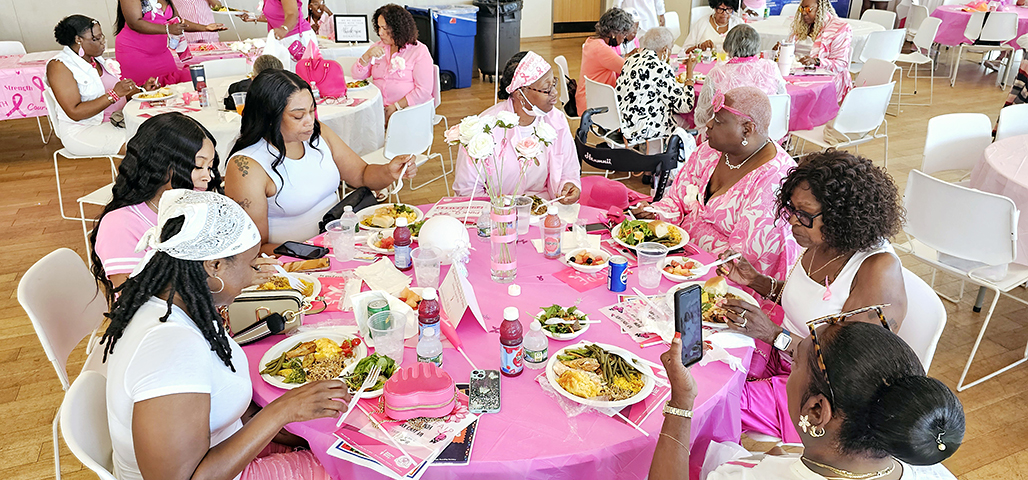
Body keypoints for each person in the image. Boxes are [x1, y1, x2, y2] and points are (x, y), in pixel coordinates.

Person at [101, 189, 346, 480]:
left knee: (330, 445)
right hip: (213, 472)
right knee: (344, 470)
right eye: (250, 263)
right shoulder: (171, 348)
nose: (254, 274)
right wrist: (281, 411)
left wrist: (287, 423)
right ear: (214, 265)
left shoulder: (174, 302)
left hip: (224, 445)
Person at [713, 150, 908, 443]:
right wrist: (756, 281)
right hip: (782, 359)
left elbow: (847, 368)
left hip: (819, 395)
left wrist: (774, 335)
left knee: (715, 402)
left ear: (841, 215)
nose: (793, 220)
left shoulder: (877, 270)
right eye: (791, 209)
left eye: (804, 214)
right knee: (704, 364)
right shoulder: (823, 239)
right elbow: (808, 303)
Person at [650, 322, 964, 480]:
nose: (789, 370)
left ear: (816, 410)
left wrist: (682, 402)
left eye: (796, 363)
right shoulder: (932, 471)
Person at [224, 69, 417, 253]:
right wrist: (314, 252)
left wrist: (389, 172)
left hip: (340, 243)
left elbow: (361, 174)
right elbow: (254, 248)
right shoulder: (247, 167)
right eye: (298, 116)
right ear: (269, 118)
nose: (310, 121)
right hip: (295, 260)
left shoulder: (317, 134)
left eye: (311, 111)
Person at [89, 112, 272, 302]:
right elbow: (136, 300)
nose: (207, 177)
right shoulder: (120, 225)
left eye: (210, 167)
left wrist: (240, 267)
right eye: (198, 166)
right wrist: (232, 279)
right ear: (160, 163)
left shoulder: (197, 206)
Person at [632, 87, 800, 280]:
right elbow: (677, 200)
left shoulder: (774, 182)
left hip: (722, 279)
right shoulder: (710, 151)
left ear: (747, 129)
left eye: (718, 121)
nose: (709, 124)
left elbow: (740, 261)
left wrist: (683, 266)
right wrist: (655, 213)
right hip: (679, 261)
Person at [453, 51, 581, 203]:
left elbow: (568, 169)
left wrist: (568, 186)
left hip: (543, 207)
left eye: (554, 83)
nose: (554, 93)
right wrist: (501, 210)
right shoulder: (485, 129)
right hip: (496, 210)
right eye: (546, 89)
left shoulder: (556, 120)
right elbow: (467, 189)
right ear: (520, 94)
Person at [47, 15, 153, 156]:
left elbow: (120, 94)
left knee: (165, 133)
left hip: (119, 120)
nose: (103, 42)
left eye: (101, 36)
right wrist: (114, 95)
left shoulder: (96, 59)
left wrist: (142, 90)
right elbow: (75, 112)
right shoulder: (59, 66)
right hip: (85, 130)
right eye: (96, 39)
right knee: (148, 148)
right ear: (78, 40)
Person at [351, 4, 434, 125]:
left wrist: (396, 107)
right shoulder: (377, 47)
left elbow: (424, 91)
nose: (380, 33)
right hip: (378, 109)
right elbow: (357, 77)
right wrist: (366, 56)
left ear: (398, 28)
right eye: (379, 27)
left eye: (385, 28)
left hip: (409, 110)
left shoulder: (419, 51)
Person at [616, 27, 697, 147]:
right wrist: (690, 74)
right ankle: (673, 155)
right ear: (665, 50)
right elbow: (685, 105)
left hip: (625, 122)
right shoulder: (660, 68)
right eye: (670, 49)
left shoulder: (631, 59)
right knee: (689, 124)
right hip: (645, 128)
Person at [695, 25, 786, 130]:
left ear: (727, 45)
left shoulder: (717, 73)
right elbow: (782, 100)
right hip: (768, 132)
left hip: (729, 134)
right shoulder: (771, 67)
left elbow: (702, 118)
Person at [115, 0, 226, 85]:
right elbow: (134, 23)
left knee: (173, 89)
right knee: (147, 93)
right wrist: (168, 29)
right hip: (135, 52)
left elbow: (177, 21)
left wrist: (205, 27)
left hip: (161, 52)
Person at [788, 0, 853, 102]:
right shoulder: (803, 26)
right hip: (797, 75)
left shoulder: (839, 28)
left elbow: (841, 64)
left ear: (820, 8)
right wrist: (783, 49)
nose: (804, 13)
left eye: (808, 9)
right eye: (802, 8)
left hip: (824, 82)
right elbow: (792, 52)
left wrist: (816, 61)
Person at [576, 7, 638, 113]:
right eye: (623, 34)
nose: (624, 37)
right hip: (594, 105)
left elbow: (614, 61)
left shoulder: (591, 41)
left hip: (588, 98)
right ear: (614, 33)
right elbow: (629, 69)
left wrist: (627, 56)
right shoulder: (602, 49)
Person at [241, 0, 317, 69]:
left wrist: (284, 29)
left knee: (301, 73)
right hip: (282, 38)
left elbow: (292, 14)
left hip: (297, 38)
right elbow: (274, 16)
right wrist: (253, 17)